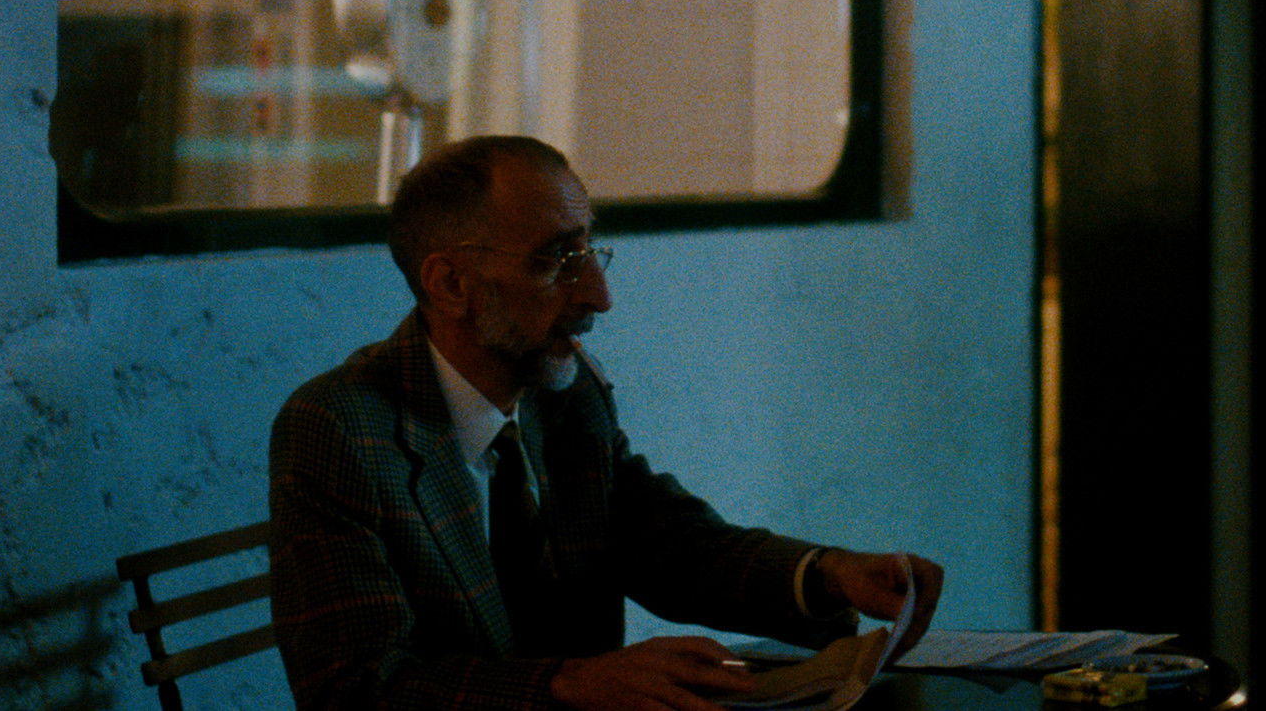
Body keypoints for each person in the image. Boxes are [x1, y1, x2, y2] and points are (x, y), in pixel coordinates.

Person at [270, 135, 944, 711]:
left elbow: (670, 546)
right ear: (450, 284)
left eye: (591, 250)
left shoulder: (563, 394)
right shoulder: (340, 430)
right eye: (558, 261)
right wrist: (567, 685)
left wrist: (826, 573)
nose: (599, 294)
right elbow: (355, 690)